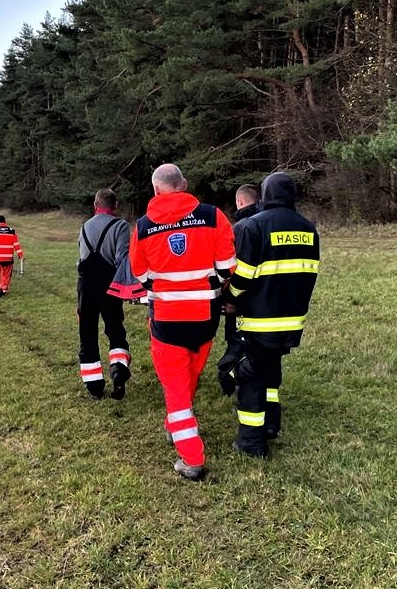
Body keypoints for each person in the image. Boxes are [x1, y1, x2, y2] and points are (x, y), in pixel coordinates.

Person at [129, 163, 236, 481]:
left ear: (155, 189)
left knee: (175, 390)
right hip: (205, 316)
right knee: (190, 375)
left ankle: (191, 458)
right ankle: (173, 427)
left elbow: (140, 274)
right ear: (184, 184)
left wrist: (164, 288)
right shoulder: (213, 216)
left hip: (166, 319)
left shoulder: (144, 226)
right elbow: (227, 265)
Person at [225, 172, 319, 458]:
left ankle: (252, 442)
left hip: (259, 318)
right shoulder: (308, 229)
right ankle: (271, 423)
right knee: (271, 371)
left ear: (265, 195)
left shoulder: (253, 226)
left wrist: (229, 299)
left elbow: (243, 276)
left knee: (250, 376)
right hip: (292, 318)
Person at [77, 188, 132, 400]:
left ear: (95, 205)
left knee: (87, 334)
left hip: (85, 286)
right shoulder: (120, 226)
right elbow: (121, 259)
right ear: (115, 206)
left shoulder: (84, 227)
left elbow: (81, 258)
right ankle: (118, 370)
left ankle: (94, 386)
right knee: (115, 330)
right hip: (110, 287)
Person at [217, 183, 261, 395]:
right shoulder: (269, 223)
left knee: (237, 340)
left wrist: (230, 298)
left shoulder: (241, 228)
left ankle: (231, 378)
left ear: (240, 202)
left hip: (241, 298)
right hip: (266, 300)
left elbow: (235, 268)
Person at [0, 215, 24, 297]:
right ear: (5, 222)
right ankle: (4, 289)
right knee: (7, 274)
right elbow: (16, 245)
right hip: (8, 259)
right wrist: (21, 255)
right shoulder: (12, 231)